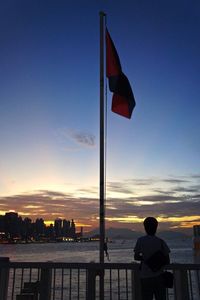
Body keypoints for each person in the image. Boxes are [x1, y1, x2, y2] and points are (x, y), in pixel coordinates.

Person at [134, 217, 170, 300]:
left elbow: (136, 256)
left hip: (145, 276)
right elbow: (167, 260)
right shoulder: (160, 241)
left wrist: (145, 259)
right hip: (159, 276)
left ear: (145, 227)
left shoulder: (140, 240)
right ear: (156, 227)